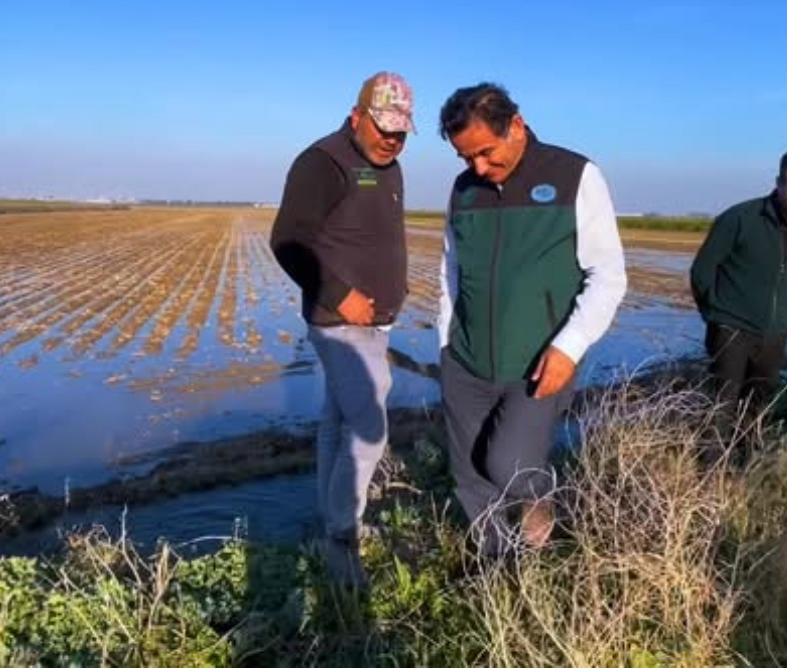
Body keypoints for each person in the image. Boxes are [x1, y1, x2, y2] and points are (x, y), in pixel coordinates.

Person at [437, 82, 627, 554]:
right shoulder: (465, 190)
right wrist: (445, 342)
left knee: (510, 466)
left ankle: (544, 519)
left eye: (485, 152)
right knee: (471, 476)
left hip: (540, 362)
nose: (478, 168)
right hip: (465, 359)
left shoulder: (574, 176)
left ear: (516, 126)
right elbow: (450, 269)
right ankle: (499, 569)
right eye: (465, 158)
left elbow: (608, 275)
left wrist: (570, 345)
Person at [269, 71, 415, 588]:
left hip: (377, 322)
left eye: (400, 131)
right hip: (340, 323)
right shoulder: (322, 162)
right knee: (370, 427)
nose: (391, 140)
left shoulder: (388, 165)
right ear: (357, 116)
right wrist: (340, 294)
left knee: (337, 421)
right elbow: (288, 241)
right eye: (383, 129)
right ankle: (341, 536)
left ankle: (330, 520)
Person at [689, 148, 787, 449]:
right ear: (779, 183)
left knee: (759, 404)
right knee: (720, 405)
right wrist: (717, 315)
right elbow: (702, 272)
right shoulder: (739, 218)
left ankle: (746, 464)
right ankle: (710, 473)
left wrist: (780, 313)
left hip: (776, 332)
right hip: (730, 328)